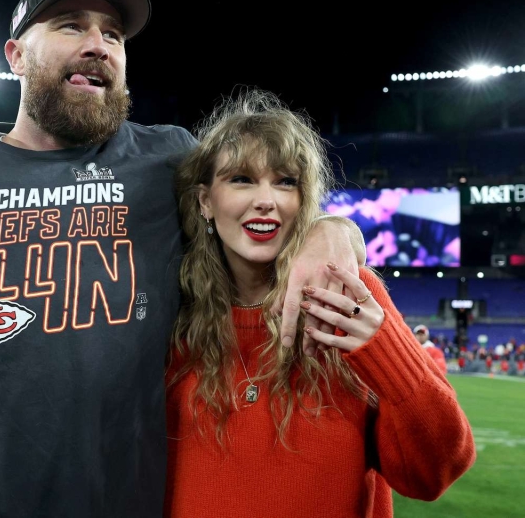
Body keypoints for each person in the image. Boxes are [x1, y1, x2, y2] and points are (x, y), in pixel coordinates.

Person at [0, 0, 364, 518]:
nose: (99, 45)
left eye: (114, 35)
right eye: (71, 26)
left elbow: (262, 200)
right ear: (15, 55)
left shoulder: (169, 162)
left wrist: (333, 230)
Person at [164, 89, 475, 518]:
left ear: (303, 200)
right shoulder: (169, 308)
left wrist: (384, 348)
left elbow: (432, 474)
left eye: (285, 181)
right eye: (241, 179)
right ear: (204, 202)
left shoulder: (345, 291)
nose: (266, 200)